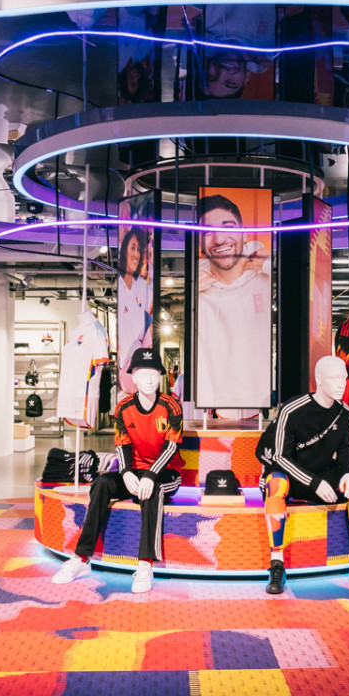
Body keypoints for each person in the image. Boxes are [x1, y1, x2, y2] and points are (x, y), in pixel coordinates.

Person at [258, 355, 349, 594]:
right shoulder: (292, 409)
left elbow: (347, 451)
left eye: (344, 378)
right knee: (276, 484)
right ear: (319, 380)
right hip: (290, 475)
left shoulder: (344, 412)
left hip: (320, 474)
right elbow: (280, 457)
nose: (341, 384)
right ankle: (277, 564)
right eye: (334, 378)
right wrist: (314, 483)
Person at [53, 347, 181, 594]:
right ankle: (81, 558)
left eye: (154, 374)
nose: (148, 380)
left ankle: (145, 565)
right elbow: (122, 446)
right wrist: (126, 473)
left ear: (160, 377)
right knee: (101, 484)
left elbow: (171, 447)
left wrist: (151, 476)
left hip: (165, 472)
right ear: (133, 378)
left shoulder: (171, 407)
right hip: (135, 471)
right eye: (142, 374)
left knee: (152, 491)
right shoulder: (123, 407)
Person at [193, 194, 273, 409]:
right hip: (214, 405)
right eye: (207, 232)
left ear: (243, 233)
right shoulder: (196, 287)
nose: (219, 239)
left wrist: (270, 265)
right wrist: (191, 291)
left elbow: (307, 289)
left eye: (228, 227)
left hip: (262, 400)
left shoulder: (267, 272)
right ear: (199, 243)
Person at [115, 227, 152, 394]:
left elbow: (153, 310)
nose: (136, 254)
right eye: (133, 248)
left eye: (139, 249)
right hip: (125, 364)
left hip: (139, 359)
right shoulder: (119, 287)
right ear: (124, 250)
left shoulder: (141, 286)